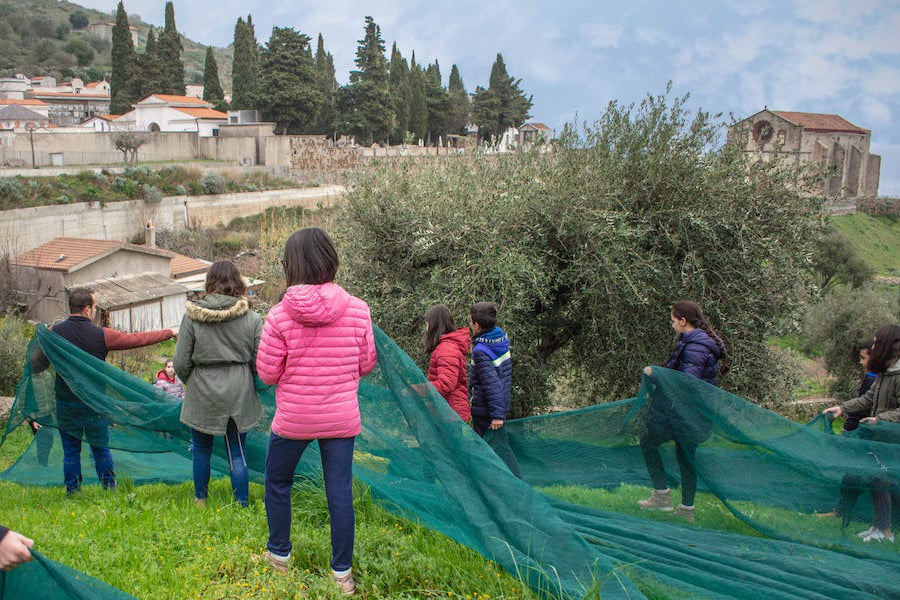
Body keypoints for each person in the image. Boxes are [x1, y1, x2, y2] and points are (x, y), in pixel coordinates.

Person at [256, 227, 376, 595]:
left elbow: (267, 373)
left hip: (294, 418)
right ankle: (342, 575)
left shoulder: (278, 316)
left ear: (291, 264)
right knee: (339, 492)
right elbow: (367, 363)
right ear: (330, 258)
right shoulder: (358, 309)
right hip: (341, 417)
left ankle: (278, 558)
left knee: (278, 483)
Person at [32, 288, 176, 495]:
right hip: (94, 403)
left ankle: (73, 491)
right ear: (88, 309)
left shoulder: (54, 334)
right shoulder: (101, 335)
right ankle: (109, 488)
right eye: (95, 306)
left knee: (71, 451)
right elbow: (136, 339)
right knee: (100, 448)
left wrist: (43, 339)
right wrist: (169, 332)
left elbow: (36, 366)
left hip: (65, 402)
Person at [174, 260, 262, 509]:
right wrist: (252, 382)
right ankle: (241, 504)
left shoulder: (192, 317)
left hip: (202, 389)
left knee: (201, 449)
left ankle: (201, 501)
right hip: (239, 390)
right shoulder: (253, 318)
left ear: (209, 282)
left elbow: (180, 362)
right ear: (239, 281)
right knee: (237, 451)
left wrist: (192, 381)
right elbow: (260, 362)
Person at [638, 300, 726, 521]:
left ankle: (663, 497)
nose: (673, 325)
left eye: (673, 321)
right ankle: (686, 510)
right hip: (690, 412)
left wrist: (654, 373)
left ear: (683, 320)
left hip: (684, 413)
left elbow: (687, 381)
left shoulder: (696, 346)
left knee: (648, 441)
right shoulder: (694, 342)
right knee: (685, 456)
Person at [823, 324, 900, 543]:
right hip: (880, 439)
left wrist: (880, 419)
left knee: (881, 480)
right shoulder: (885, 372)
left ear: (887, 344)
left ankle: (885, 531)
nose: (874, 346)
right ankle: (879, 527)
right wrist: (842, 409)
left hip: (894, 441)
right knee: (877, 480)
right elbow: (868, 399)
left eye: (876, 342)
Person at [468, 301, 522, 478]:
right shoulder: (501, 339)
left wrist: (497, 415)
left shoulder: (481, 350)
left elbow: (492, 384)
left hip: (486, 410)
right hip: (497, 405)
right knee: (495, 449)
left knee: (496, 450)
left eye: (471, 322)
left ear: (476, 324)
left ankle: (516, 486)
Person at [424, 304, 471, 421]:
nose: (426, 327)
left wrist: (419, 389)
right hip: (447, 411)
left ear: (434, 325)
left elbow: (446, 384)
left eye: (427, 323)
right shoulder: (446, 347)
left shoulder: (446, 349)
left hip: (450, 414)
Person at [843, 340, 877, 433]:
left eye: (863, 358)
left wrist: (846, 429)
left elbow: (862, 407)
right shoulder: (881, 378)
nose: (861, 362)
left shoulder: (871, 379)